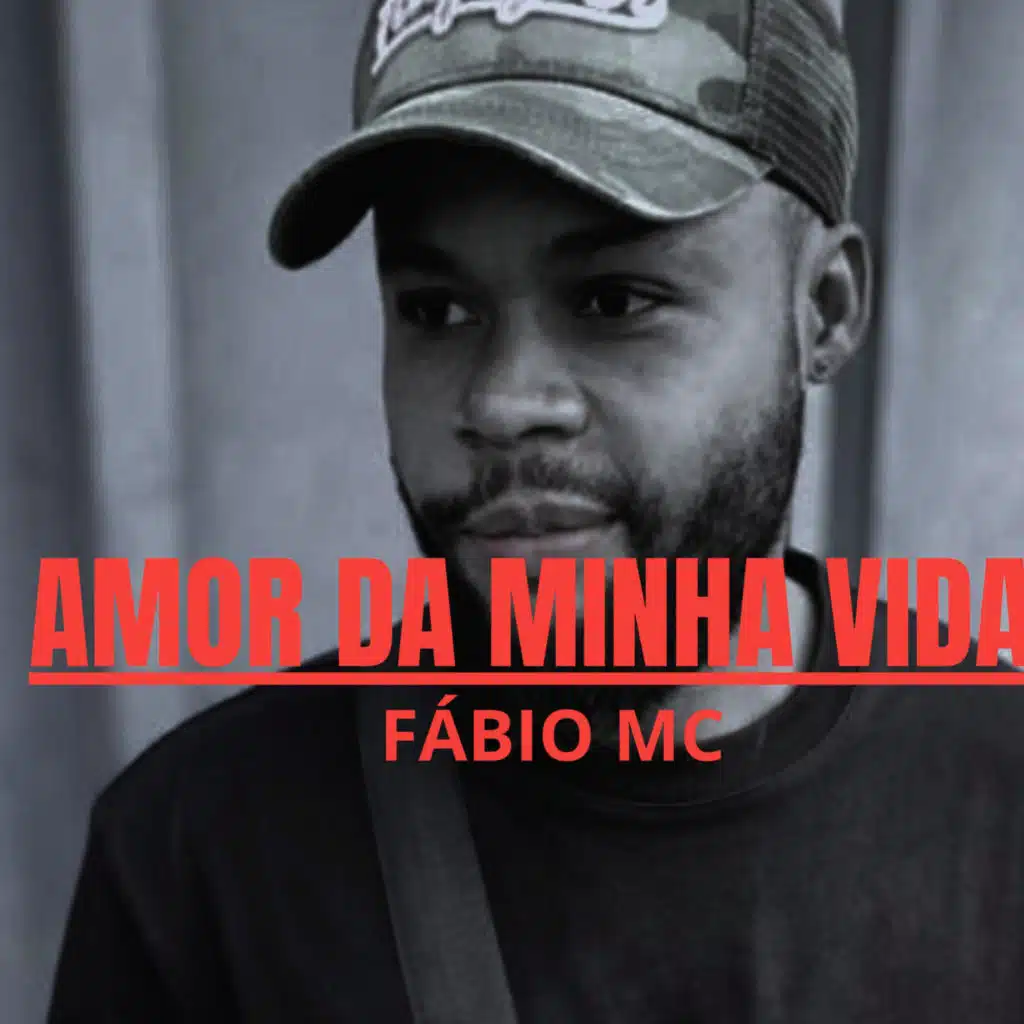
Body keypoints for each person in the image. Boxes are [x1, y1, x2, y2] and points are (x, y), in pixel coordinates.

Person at [48, 0, 1023, 1021]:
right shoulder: (200, 865)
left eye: (614, 300)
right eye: (437, 311)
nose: (503, 402)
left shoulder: (998, 812)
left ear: (822, 310)